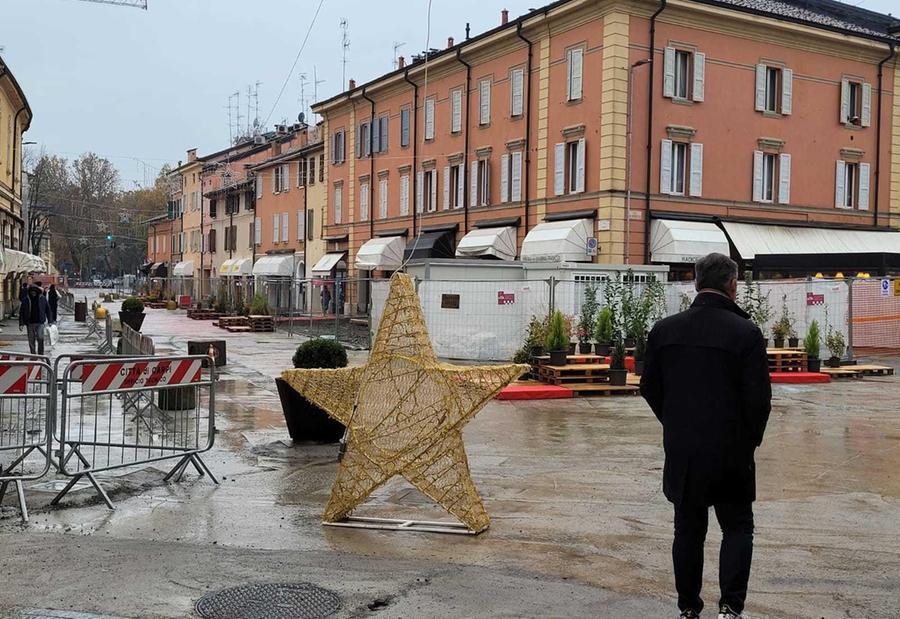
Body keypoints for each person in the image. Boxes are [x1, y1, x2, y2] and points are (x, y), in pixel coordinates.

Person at [639, 253, 771, 619]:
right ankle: (730, 607)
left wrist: (676, 423)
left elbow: (650, 387)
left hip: (684, 451)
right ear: (732, 285)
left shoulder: (665, 330)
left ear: (696, 283)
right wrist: (747, 443)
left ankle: (688, 607)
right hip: (731, 452)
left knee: (688, 530)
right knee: (738, 527)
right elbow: (758, 401)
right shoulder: (746, 333)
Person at [19, 283, 51, 356]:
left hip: (40, 322)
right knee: (31, 340)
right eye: (32, 291)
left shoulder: (42, 299)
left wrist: (50, 321)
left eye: (34, 291)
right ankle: (33, 355)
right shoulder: (26, 300)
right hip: (29, 323)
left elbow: (48, 310)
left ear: (37, 291)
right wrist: (21, 323)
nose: (33, 293)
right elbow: (21, 312)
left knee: (40, 338)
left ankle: (40, 354)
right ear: (29, 292)